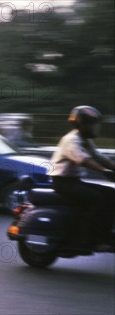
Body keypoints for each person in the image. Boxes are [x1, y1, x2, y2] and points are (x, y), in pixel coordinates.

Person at [49, 105, 115, 250]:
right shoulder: (71, 140)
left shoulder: (84, 139)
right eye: (93, 124)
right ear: (82, 124)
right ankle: (85, 238)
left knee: (111, 194)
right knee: (96, 198)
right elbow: (83, 159)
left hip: (73, 182)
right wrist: (104, 171)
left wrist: (112, 168)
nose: (95, 128)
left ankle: (105, 235)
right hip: (62, 183)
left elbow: (99, 157)